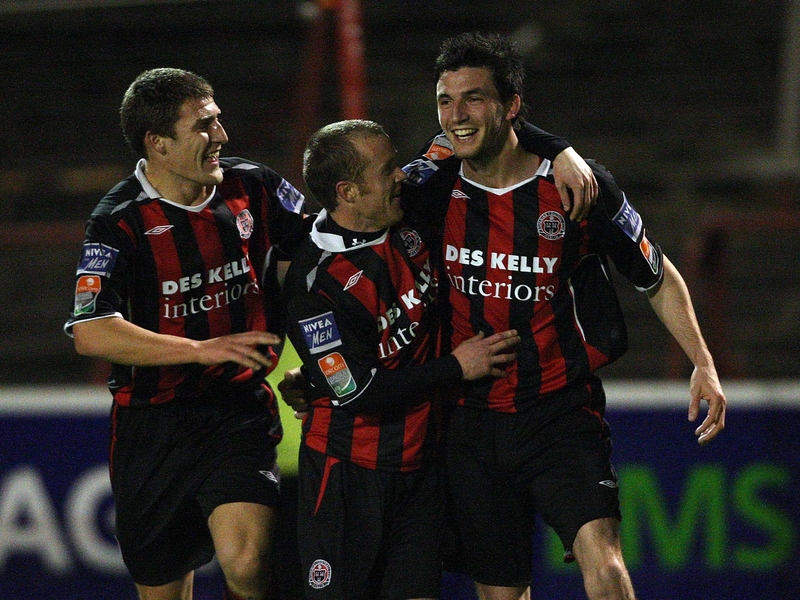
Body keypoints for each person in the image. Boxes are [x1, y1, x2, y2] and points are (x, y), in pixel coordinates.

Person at [399, 32, 728, 600]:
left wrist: (703, 362)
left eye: (474, 98)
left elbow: (655, 274)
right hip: (469, 420)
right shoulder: (432, 188)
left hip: (559, 410)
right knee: (501, 590)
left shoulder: (577, 188)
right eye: (445, 101)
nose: (457, 115)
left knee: (604, 561)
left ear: (511, 106)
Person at [64, 68, 306, 600]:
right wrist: (199, 349)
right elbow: (91, 332)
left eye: (217, 120)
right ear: (159, 143)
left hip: (237, 409)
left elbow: (324, 264)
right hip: (151, 428)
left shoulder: (256, 187)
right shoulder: (119, 219)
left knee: (248, 563)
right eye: (204, 125)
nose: (221, 135)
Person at [280, 119, 521, 600]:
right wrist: (457, 366)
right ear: (347, 192)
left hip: (420, 470)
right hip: (347, 473)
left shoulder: (406, 202)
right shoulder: (315, 285)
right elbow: (357, 392)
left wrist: (563, 154)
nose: (400, 176)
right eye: (387, 169)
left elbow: (467, 129)